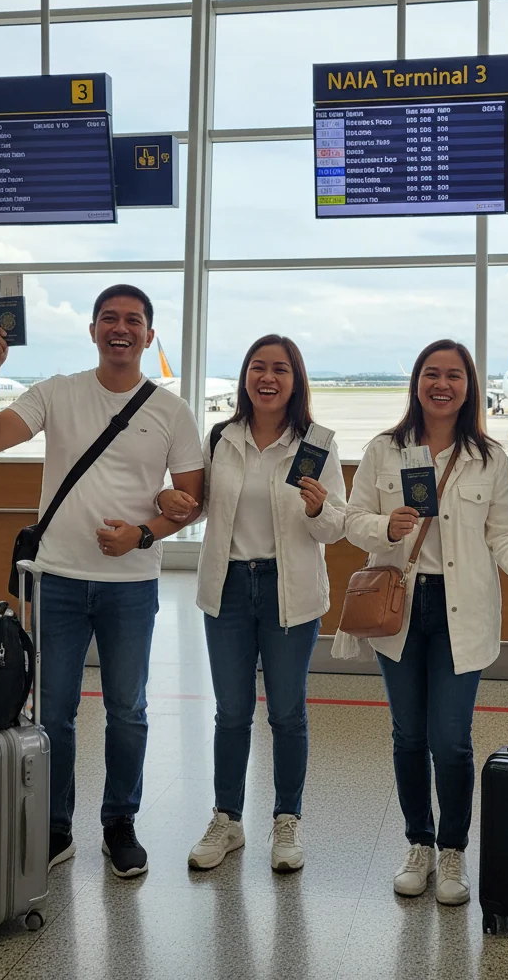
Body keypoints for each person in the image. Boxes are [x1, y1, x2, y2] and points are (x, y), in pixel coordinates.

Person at [0, 283, 204, 880]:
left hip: (131, 584)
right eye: (108, 318)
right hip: (59, 581)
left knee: (128, 710)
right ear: (93, 330)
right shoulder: (58, 392)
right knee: (54, 712)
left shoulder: (170, 410)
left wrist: (142, 535)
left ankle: (119, 823)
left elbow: (192, 502)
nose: (120, 328)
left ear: (149, 335)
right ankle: (55, 825)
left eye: (132, 320)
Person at [335, 340, 508, 906]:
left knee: (450, 741)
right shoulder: (384, 450)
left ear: (469, 386)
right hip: (400, 608)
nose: (442, 384)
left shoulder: (486, 457)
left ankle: (454, 848)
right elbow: (351, 520)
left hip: (462, 609)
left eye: (454, 375)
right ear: (416, 382)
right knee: (408, 736)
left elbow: (504, 534)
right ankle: (419, 843)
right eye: (432, 374)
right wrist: (387, 529)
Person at [173, 335, 347, 875]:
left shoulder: (316, 442)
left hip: (288, 590)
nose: (267, 378)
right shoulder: (222, 437)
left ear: (296, 380)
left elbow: (336, 526)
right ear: (246, 376)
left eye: (280, 369)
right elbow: (203, 508)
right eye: (257, 368)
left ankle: (286, 820)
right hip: (226, 588)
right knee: (230, 711)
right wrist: (170, 502)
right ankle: (228, 819)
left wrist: (319, 509)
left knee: (288, 713)